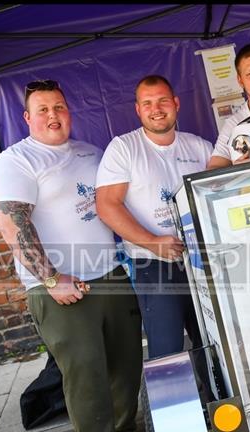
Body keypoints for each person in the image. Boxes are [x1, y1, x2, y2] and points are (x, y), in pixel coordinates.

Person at [0, 79, 147, 432]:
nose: (52, 115)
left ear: (69, 110)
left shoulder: (90, 153)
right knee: (85, 375)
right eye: (42, 109)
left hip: (110, 275)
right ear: (27, 118)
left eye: (58, 106)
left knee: (126, 363)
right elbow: (11, 223)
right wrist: (50, 278)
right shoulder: (16, 160)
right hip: (60, 285)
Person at [95, 75, 214, 400]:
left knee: (213, 343)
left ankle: (225, 418)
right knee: (167, 351)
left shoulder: (199, 146)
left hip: (202, 263)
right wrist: (152, 241)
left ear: (176, 103)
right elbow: (106, 205)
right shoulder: (124, 148)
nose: (156, 109)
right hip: (155, 264)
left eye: (162, 100)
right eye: (147, 103)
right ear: (137, 110)